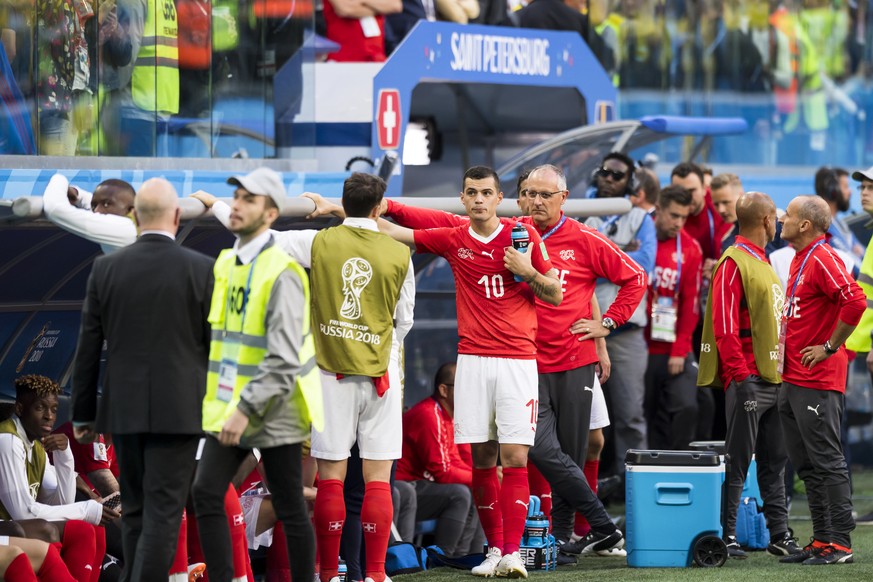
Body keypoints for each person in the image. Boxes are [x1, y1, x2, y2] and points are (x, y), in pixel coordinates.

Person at [378, 165, 562, 578]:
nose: (478, 199)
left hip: (517, 361)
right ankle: (494, 550)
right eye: (471, 193)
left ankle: (514, 554)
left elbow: (555, 293)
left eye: (485, 193)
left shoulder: (523, 235)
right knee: (482, 457)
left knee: (514, 456)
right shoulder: (455, 238)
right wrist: (348, 210)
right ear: (462, 200)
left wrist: (527, 270)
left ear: (500, 199)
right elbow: (399, 231)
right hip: (473, 362)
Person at [71, 178, 213, 581]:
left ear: (135, 215)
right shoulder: (201, 268)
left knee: (135, 509)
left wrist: (83, 415)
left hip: (124, 409)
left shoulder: (106, 267)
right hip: (181, 410)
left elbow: (88, 347)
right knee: (166, 511)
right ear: (177, 216)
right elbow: (217, 349)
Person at [190, 169, 322, 582]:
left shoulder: (282, 272)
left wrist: (243, 410)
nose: (239, 204)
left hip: (274, 408)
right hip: (236, 406)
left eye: (250, 199)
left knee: (288, 505)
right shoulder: (230, 261)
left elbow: (282, 357)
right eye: (237, 197)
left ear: (269, 214)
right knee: (207, 492)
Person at [307, 172, 412, 582]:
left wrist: (216, 204)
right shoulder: (399, 252)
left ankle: (330, 573)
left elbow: (264, 238)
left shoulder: (318, 242)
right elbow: (404, 322)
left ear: (343, 203)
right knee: (377, 480)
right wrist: (370, 342)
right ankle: (375, 574)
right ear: (380, 206)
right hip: (382, 376)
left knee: (331, 478)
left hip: (330, 372)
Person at [698, 192, 800, 559]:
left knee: (775, 462)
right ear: (767, 219)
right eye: (778, 218)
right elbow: (725, 329)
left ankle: (779, 534)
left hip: (773, 377)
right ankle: (726, 535)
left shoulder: (762, 261)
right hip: (750, 381)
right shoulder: (732, 261)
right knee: (738, 461)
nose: (779, 224)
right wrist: (741, 381)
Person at [776, 195, 865, 565]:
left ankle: (840, 543)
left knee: (826, 461)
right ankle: (822, 538)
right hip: (794, 377)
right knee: (807, 464)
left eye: (790, 214)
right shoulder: (802, 257)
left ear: (805, 226)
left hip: (817, 378)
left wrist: (829, 347)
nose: (783, 217)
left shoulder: (823, 257)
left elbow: (855, 301)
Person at [584, 152, 656, 484]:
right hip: (583, 328)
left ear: (631, 181)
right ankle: (580, 490)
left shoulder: (641, 217)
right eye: (605, 172)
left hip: (626, 331)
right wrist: (621, 253)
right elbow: (570, 267)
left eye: (618, 175)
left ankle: (635, 490)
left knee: (630, 416)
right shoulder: (576, 210)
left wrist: (599, 258)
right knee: (580, 416)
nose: (610, 178)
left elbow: (644, 267)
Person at [0, 375, 115, 580]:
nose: (49, 417)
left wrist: (64, 457)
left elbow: (62, 501)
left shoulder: (36, 445)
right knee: (50, 529)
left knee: (89, 529)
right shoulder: (8, 440)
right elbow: (23, 512)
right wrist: (86, 509)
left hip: (13, 523)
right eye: (40, 408)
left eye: (53, 409)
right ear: (19, 409)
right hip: (7, 524)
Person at [396, 362, 485, 557]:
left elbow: (460, 461)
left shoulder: (452, 415)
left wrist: (483, 477)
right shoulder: (429, 414)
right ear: (444, 390)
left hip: (422, 484)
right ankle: (447, 557)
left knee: (478, 488)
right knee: (461, 493)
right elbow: (443, 472)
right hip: (405, 485)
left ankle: (474, 555)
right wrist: (483, 477)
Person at [643, 185, 702, 450]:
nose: (679, 223)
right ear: (659, 209)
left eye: (684, 217)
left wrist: (680, 348)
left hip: (674, 347)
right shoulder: (639, 238)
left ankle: (679, 462)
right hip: (640, 347)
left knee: (687, 406)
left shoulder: (690, 248)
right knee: (645, 413)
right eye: (674, 216)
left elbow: (691, 302)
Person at [42, 174, 137, 253]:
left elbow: (55, 209)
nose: (96, 211)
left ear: (131, 210)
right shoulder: (138, 223)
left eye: (106, 204)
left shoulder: (124, 229)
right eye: (94, 206)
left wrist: (59, 178)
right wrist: (77, 194)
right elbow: (93, 202)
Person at [814, 166, 865, 264]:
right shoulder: (824, 227)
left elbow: (863, 253)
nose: (850, 191)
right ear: (832, 191)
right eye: (846, 187)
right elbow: (852, 263)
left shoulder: (839, 224)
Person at [710, 173, 743, 251]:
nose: (721, 210)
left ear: (741, 196)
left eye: (726, 202)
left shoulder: (774, 227)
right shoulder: (727, 242)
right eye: (716, 204)